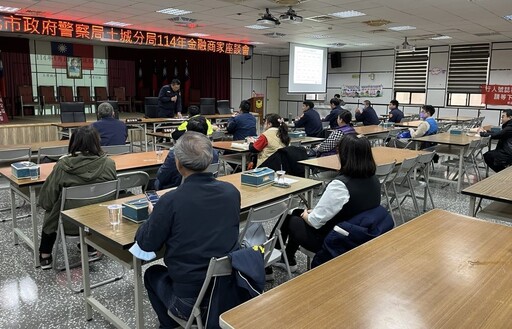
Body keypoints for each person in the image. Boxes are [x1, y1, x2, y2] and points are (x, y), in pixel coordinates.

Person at [135, 131, 240, 329]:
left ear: (178, 164)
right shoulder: (231, 192)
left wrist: (154, 216)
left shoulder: (170, 200)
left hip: (190, 300)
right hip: (226, 290)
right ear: (209, 160)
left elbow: (146, 243)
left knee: (152, 273)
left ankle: (170, 324)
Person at [275, 134, 381, 272]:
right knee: (296, 213)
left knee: (289, 216)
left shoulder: (340, 185)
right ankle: (286, 257)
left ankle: (279, 258)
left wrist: (307, 215)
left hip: (334, 239)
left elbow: (315, 222)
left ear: (343, 155)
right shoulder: (374, 180)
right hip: (360, 234)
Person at [38, 126, 117, 269]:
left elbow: (46, 199)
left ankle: (45, 254)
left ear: (73, 143)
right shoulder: (109, 163)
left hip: (70, 221)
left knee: (52, 209)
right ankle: (89, 244)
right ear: (97, 142)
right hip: (100, 220)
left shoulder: (63, 166)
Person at [155, 116, 219, 190]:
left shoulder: (176, 153)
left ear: (187, 131)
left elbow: (162, 177)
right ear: (206, 131)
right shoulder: (214, 153)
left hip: (176, 190)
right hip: (206, 189)